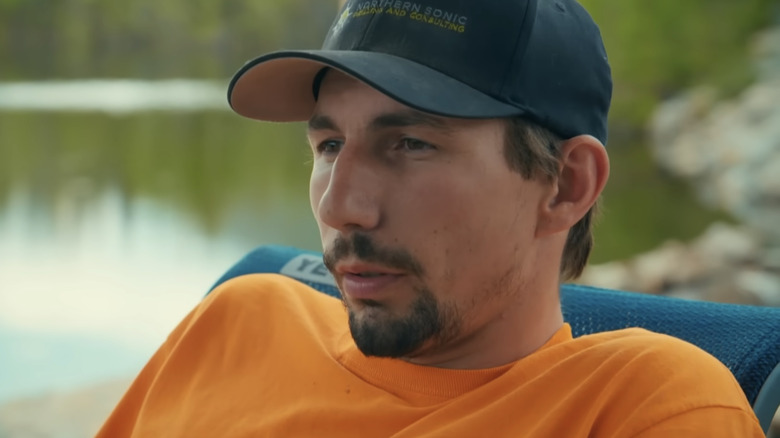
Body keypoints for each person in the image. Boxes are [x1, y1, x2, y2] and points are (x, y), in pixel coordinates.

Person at [98, 0, 764, 436]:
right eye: (329, 146)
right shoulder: (238, 320)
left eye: (411, 145)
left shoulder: (639, 405)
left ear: (565, 185)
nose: (338, 207)